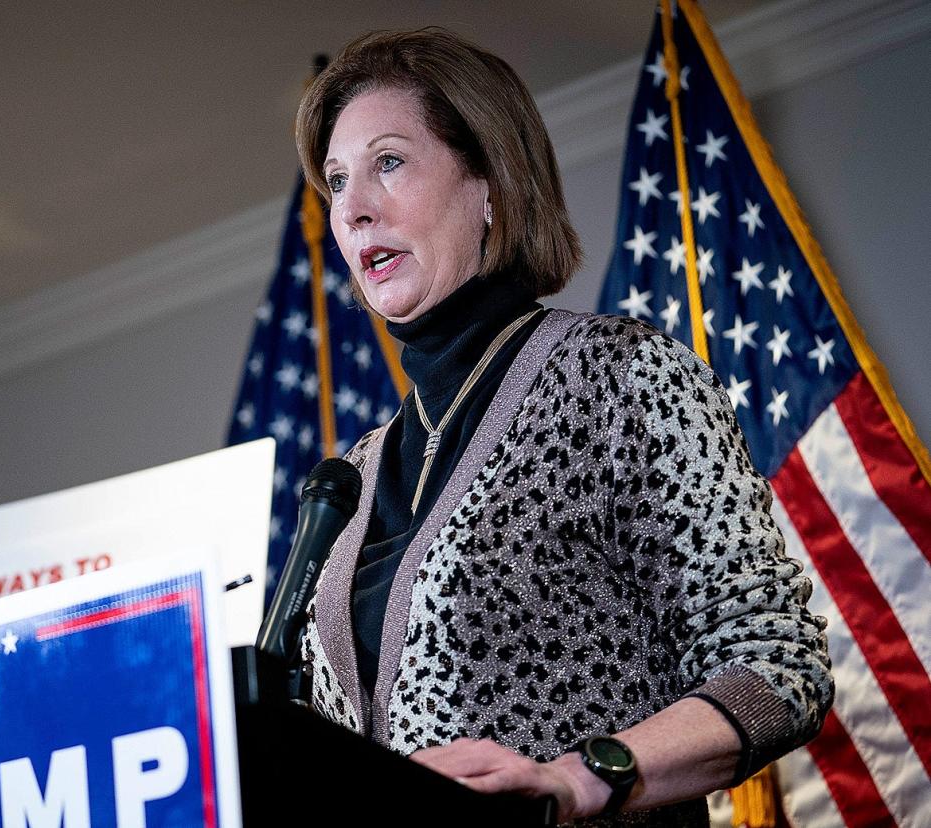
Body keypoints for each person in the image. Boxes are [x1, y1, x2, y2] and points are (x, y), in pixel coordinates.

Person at [293, 28, 833, 825]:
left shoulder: (617, 376)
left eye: (389, 162)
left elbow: (778, 667)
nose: (354, 207)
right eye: (336, 181)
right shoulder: (353, 479)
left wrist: (585, 779)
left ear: (489, 185)